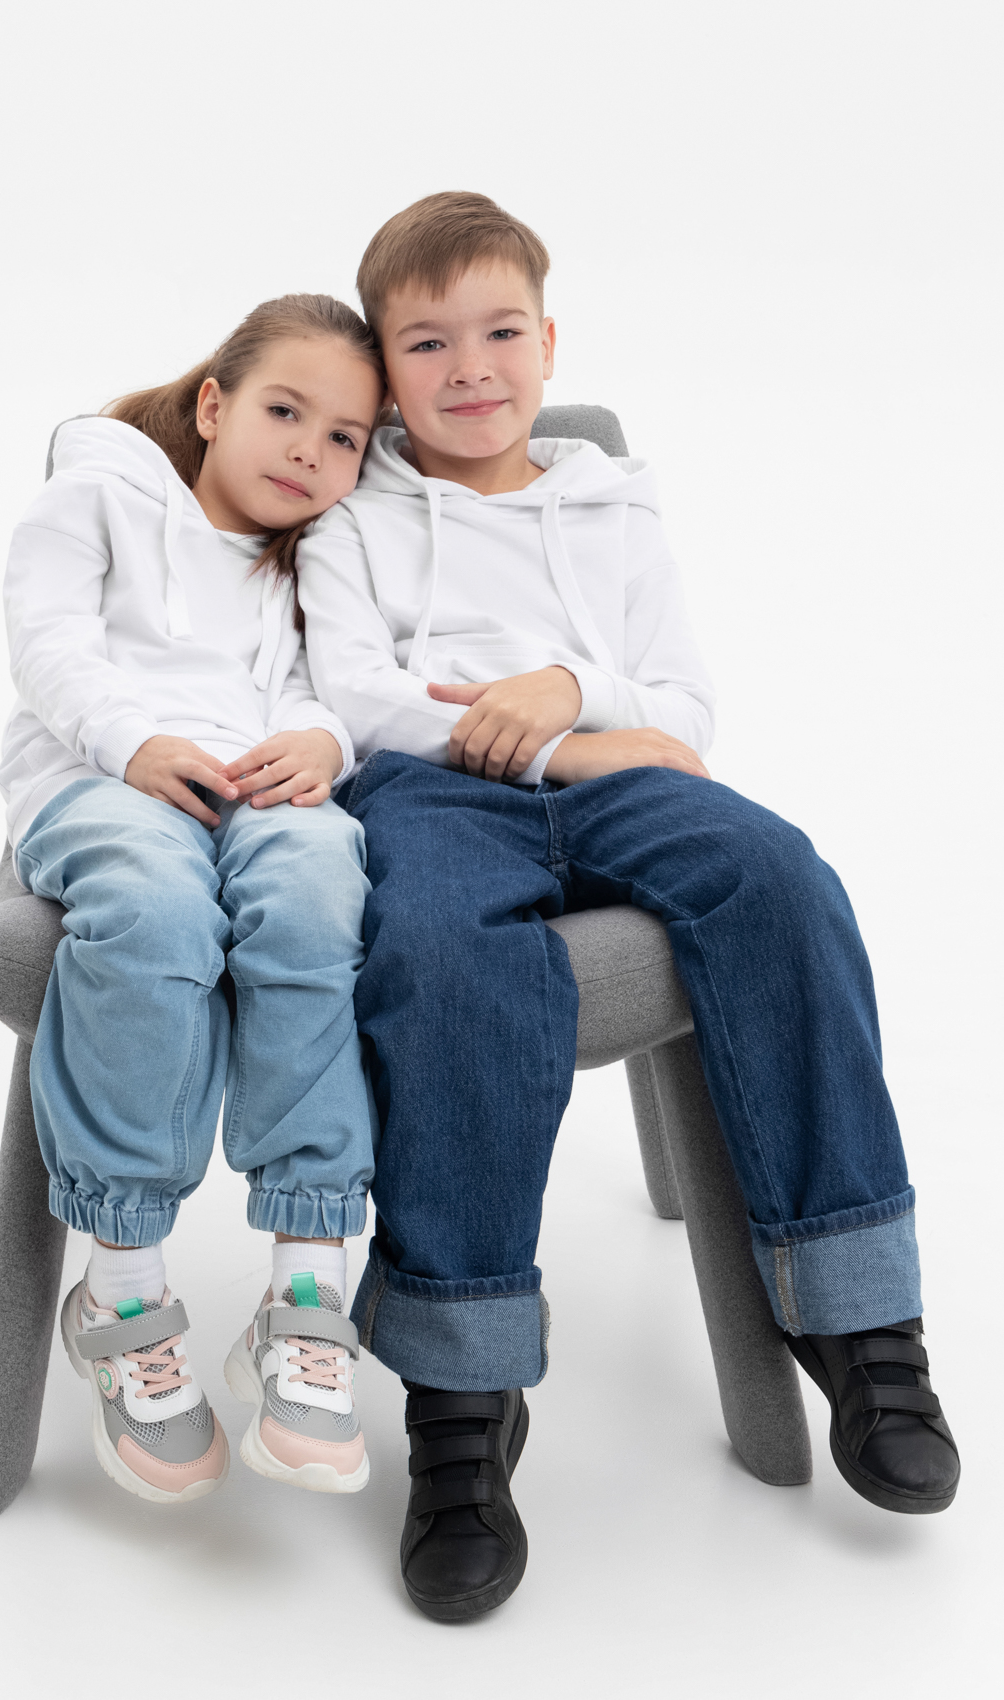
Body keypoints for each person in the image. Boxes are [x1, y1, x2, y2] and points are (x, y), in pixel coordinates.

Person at [297, 194, 960, 1620]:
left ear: (550, 341)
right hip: (434, 787)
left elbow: (683, 709)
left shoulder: (614, 503)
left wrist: (572, 697)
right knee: (444, 957)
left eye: (500, 332)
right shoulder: (352, 511)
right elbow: (357, 699)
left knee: (779, 876)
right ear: (385, 371)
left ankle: (861, 1322)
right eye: (427, 343)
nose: (472, 367)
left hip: (615, 768)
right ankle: (463, 1395)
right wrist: (565, 745)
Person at [0, 294, 386, 1506]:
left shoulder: (322, 557)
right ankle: (120, 1286)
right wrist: (133, 740)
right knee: (158, 917)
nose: (309, 451)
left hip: (261, 784)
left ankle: (307, 1284)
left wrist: (321, 739)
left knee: (322, 895)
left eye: (343, 437)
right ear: (215, 405)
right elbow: (48, 644)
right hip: (104, 777)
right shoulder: (97, 491)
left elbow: (337, 683)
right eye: (285, 411)